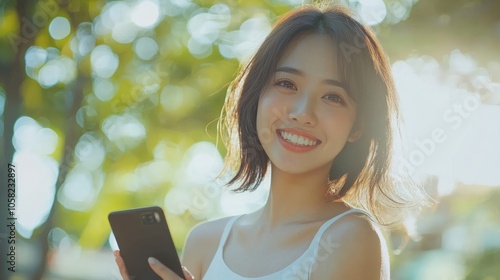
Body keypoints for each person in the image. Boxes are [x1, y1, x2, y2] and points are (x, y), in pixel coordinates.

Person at [115, 3, 426, 280]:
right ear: (258, 96)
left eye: (333, 96)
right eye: (286, 83)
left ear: (358, 125)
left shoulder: (352, 238)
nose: (302, 114)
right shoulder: (204, 243)